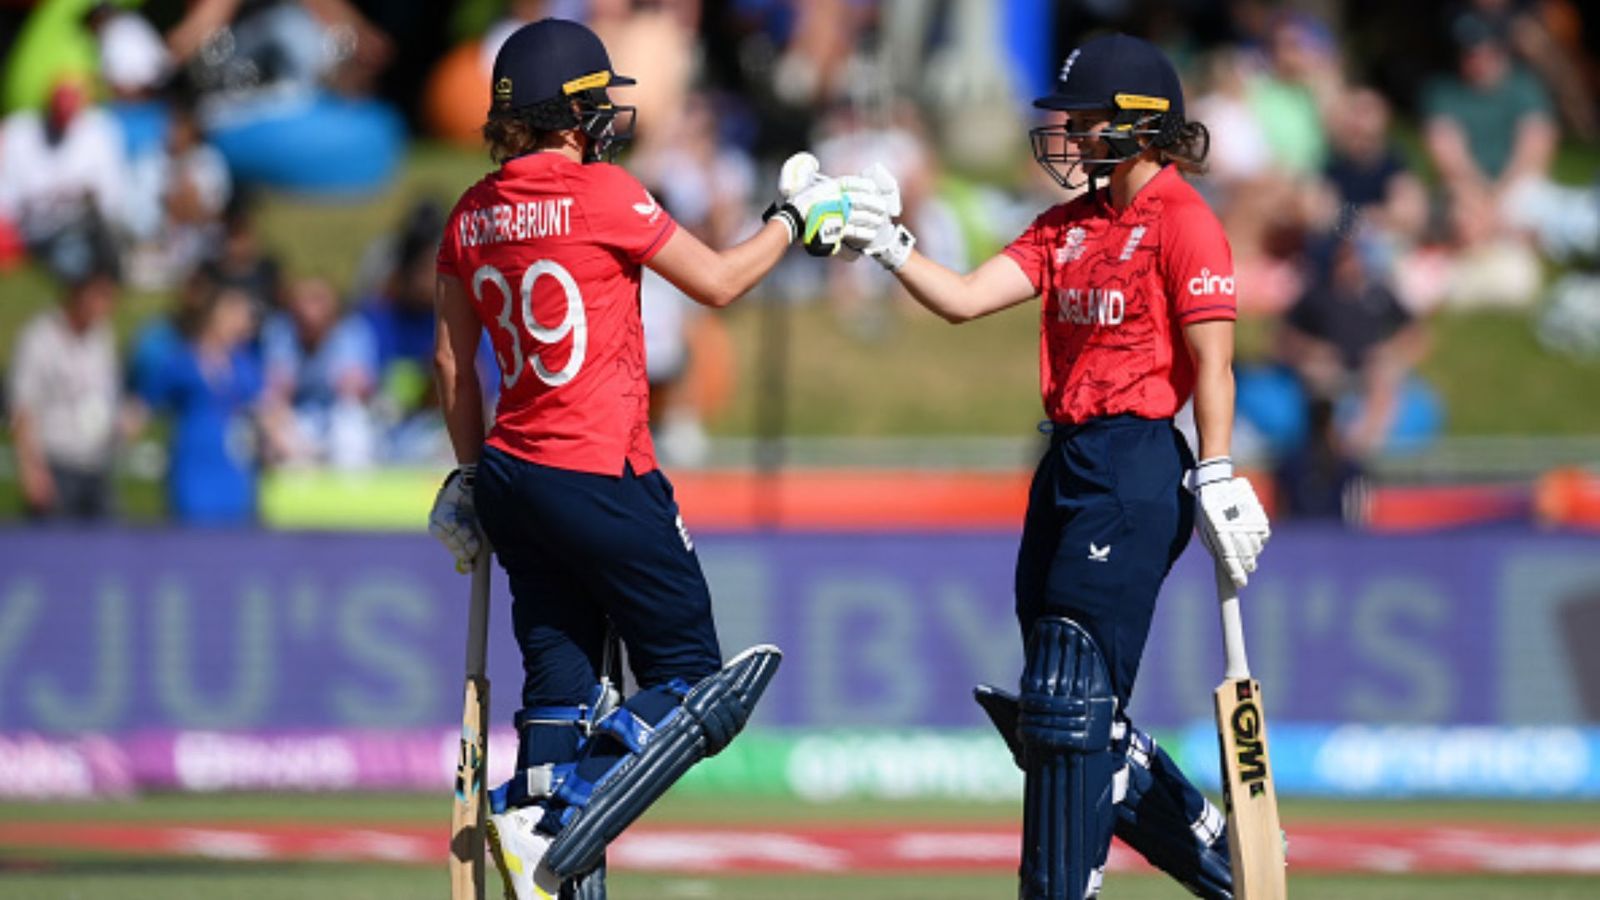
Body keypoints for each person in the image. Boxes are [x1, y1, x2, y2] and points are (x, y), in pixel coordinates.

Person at [425, 18, 870, 900]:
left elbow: (450, 362)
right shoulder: (605, 193)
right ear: (567, 115)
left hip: (513, 474)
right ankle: (555, 822)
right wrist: (794, 221)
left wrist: (471, 475)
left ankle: (537, 808)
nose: (605, 122)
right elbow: (720, 282)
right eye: (594, 106)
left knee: (560, 686)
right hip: (599, 471)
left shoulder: (472, 211)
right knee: (692, 678)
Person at [835, 33, 1272, 900]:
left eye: (1086, 119)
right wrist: (887, 244)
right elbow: (963, 298)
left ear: (1141, 128)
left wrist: (1218, 473)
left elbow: (1214, 362)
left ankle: (1063, 885)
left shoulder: (1186, 222)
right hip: (1067, 460)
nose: (1068, 134)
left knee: (1070, 696)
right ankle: (1207, 843)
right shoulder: (1065, 227)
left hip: (1137, 465)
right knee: (1059, 705)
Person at [6, 230, 123, 521]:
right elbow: (23, 408)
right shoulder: (39, 339)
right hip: (57, 465)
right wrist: (31, 469)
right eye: (99, 295)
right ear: (77, 292)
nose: (104, 306)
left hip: (96, 464)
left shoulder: (102, 337)